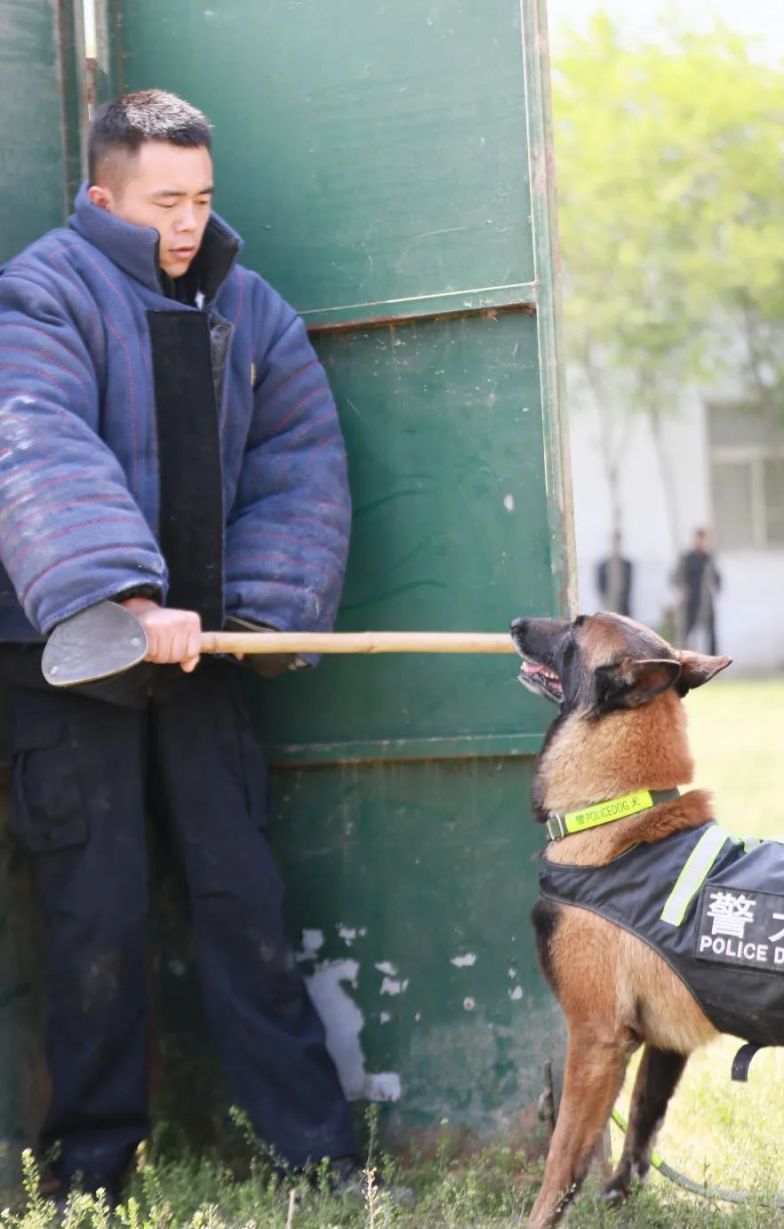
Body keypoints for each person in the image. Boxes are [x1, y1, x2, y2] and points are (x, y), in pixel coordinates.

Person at [0, 90, 362, 1201]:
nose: (188, 220)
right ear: (104, 193)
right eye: (165, 200)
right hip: (70, 658)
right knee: (93, 918)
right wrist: (121, 590)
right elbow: (37, 440)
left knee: (243, 902)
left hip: (205, 659)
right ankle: (90, 1178)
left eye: (202, 197)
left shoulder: (250, 309)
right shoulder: (40, 292)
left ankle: (318, 1158)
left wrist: (253, 615)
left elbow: (302, 464)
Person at [673, 528, 722, 655]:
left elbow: (717, 578)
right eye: (699, 539)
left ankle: (713, 660)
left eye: (703, 540)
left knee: (711, 632)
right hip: (690, 600)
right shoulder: (686, 558)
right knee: (686, 632)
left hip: (706, 600)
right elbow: (676, 577)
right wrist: (683, 589)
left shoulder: (709, 558)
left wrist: (715, 589)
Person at [596, 531, 634, 617]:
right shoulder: (603, 565)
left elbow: (628, 588)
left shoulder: (627, 565)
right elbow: (600, 587)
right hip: (608, 607)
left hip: (624, 609)